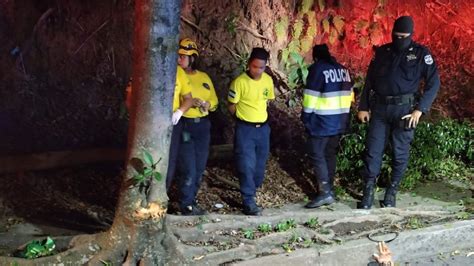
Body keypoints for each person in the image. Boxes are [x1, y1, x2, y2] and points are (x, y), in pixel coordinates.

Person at [358, 16, 440, 209]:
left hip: (405, 111)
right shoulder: (383, 52)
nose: (399, 39)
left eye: (404, 36)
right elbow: (369, 81)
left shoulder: (420, 54)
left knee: (400, 154)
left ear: (411, 35)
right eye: (396, 35)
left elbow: (433, 83)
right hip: (380, 109)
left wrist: (420, 110)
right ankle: (368, 192)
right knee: (372, 151)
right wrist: (363, 106)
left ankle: (391, 192)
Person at [125, 66, 193, 191]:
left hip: (171, 123)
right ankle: (140, 193)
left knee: (169, 161)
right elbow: (130, 97)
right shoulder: (144, 65)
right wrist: (138, 116)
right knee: (144, 159)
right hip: (148, 122)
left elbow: (188, 98)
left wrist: (179, 112)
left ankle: (160, 193)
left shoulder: (178, 72)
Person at [301, 44, 353, 208]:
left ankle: (324, 193)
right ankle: (329, 188)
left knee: (317, 154)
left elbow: (311, 96)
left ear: (315, 57)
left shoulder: (317, 69)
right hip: (340, 120)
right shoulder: (343, 70)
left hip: (322, 122)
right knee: (329, 154)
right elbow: (350, 96)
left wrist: (306, 118)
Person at [228, 47, 275, 216]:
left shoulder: (268, 81)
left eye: (261, 67)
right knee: (246, 164)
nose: (258, 71)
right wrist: (241, 119)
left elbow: (267, 101)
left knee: (259, 167)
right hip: (245, 129)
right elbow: (232, 105)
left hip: (262, 129)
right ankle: (248, 200)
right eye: (255, 67)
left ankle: (252, 191)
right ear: (249, 64)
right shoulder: (239, 82)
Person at [176, 38, 218, 215]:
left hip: (203, 126)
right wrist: (189, 103)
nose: (179, 59)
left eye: (183, 56)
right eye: (178, 56)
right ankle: (185, 204)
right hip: (185, 125)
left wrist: (208, 104)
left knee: (200, 167)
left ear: (192, 58)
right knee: (188, 167)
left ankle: (191, 201)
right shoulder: (177, 75)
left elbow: (215, 100)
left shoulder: (204, 77)